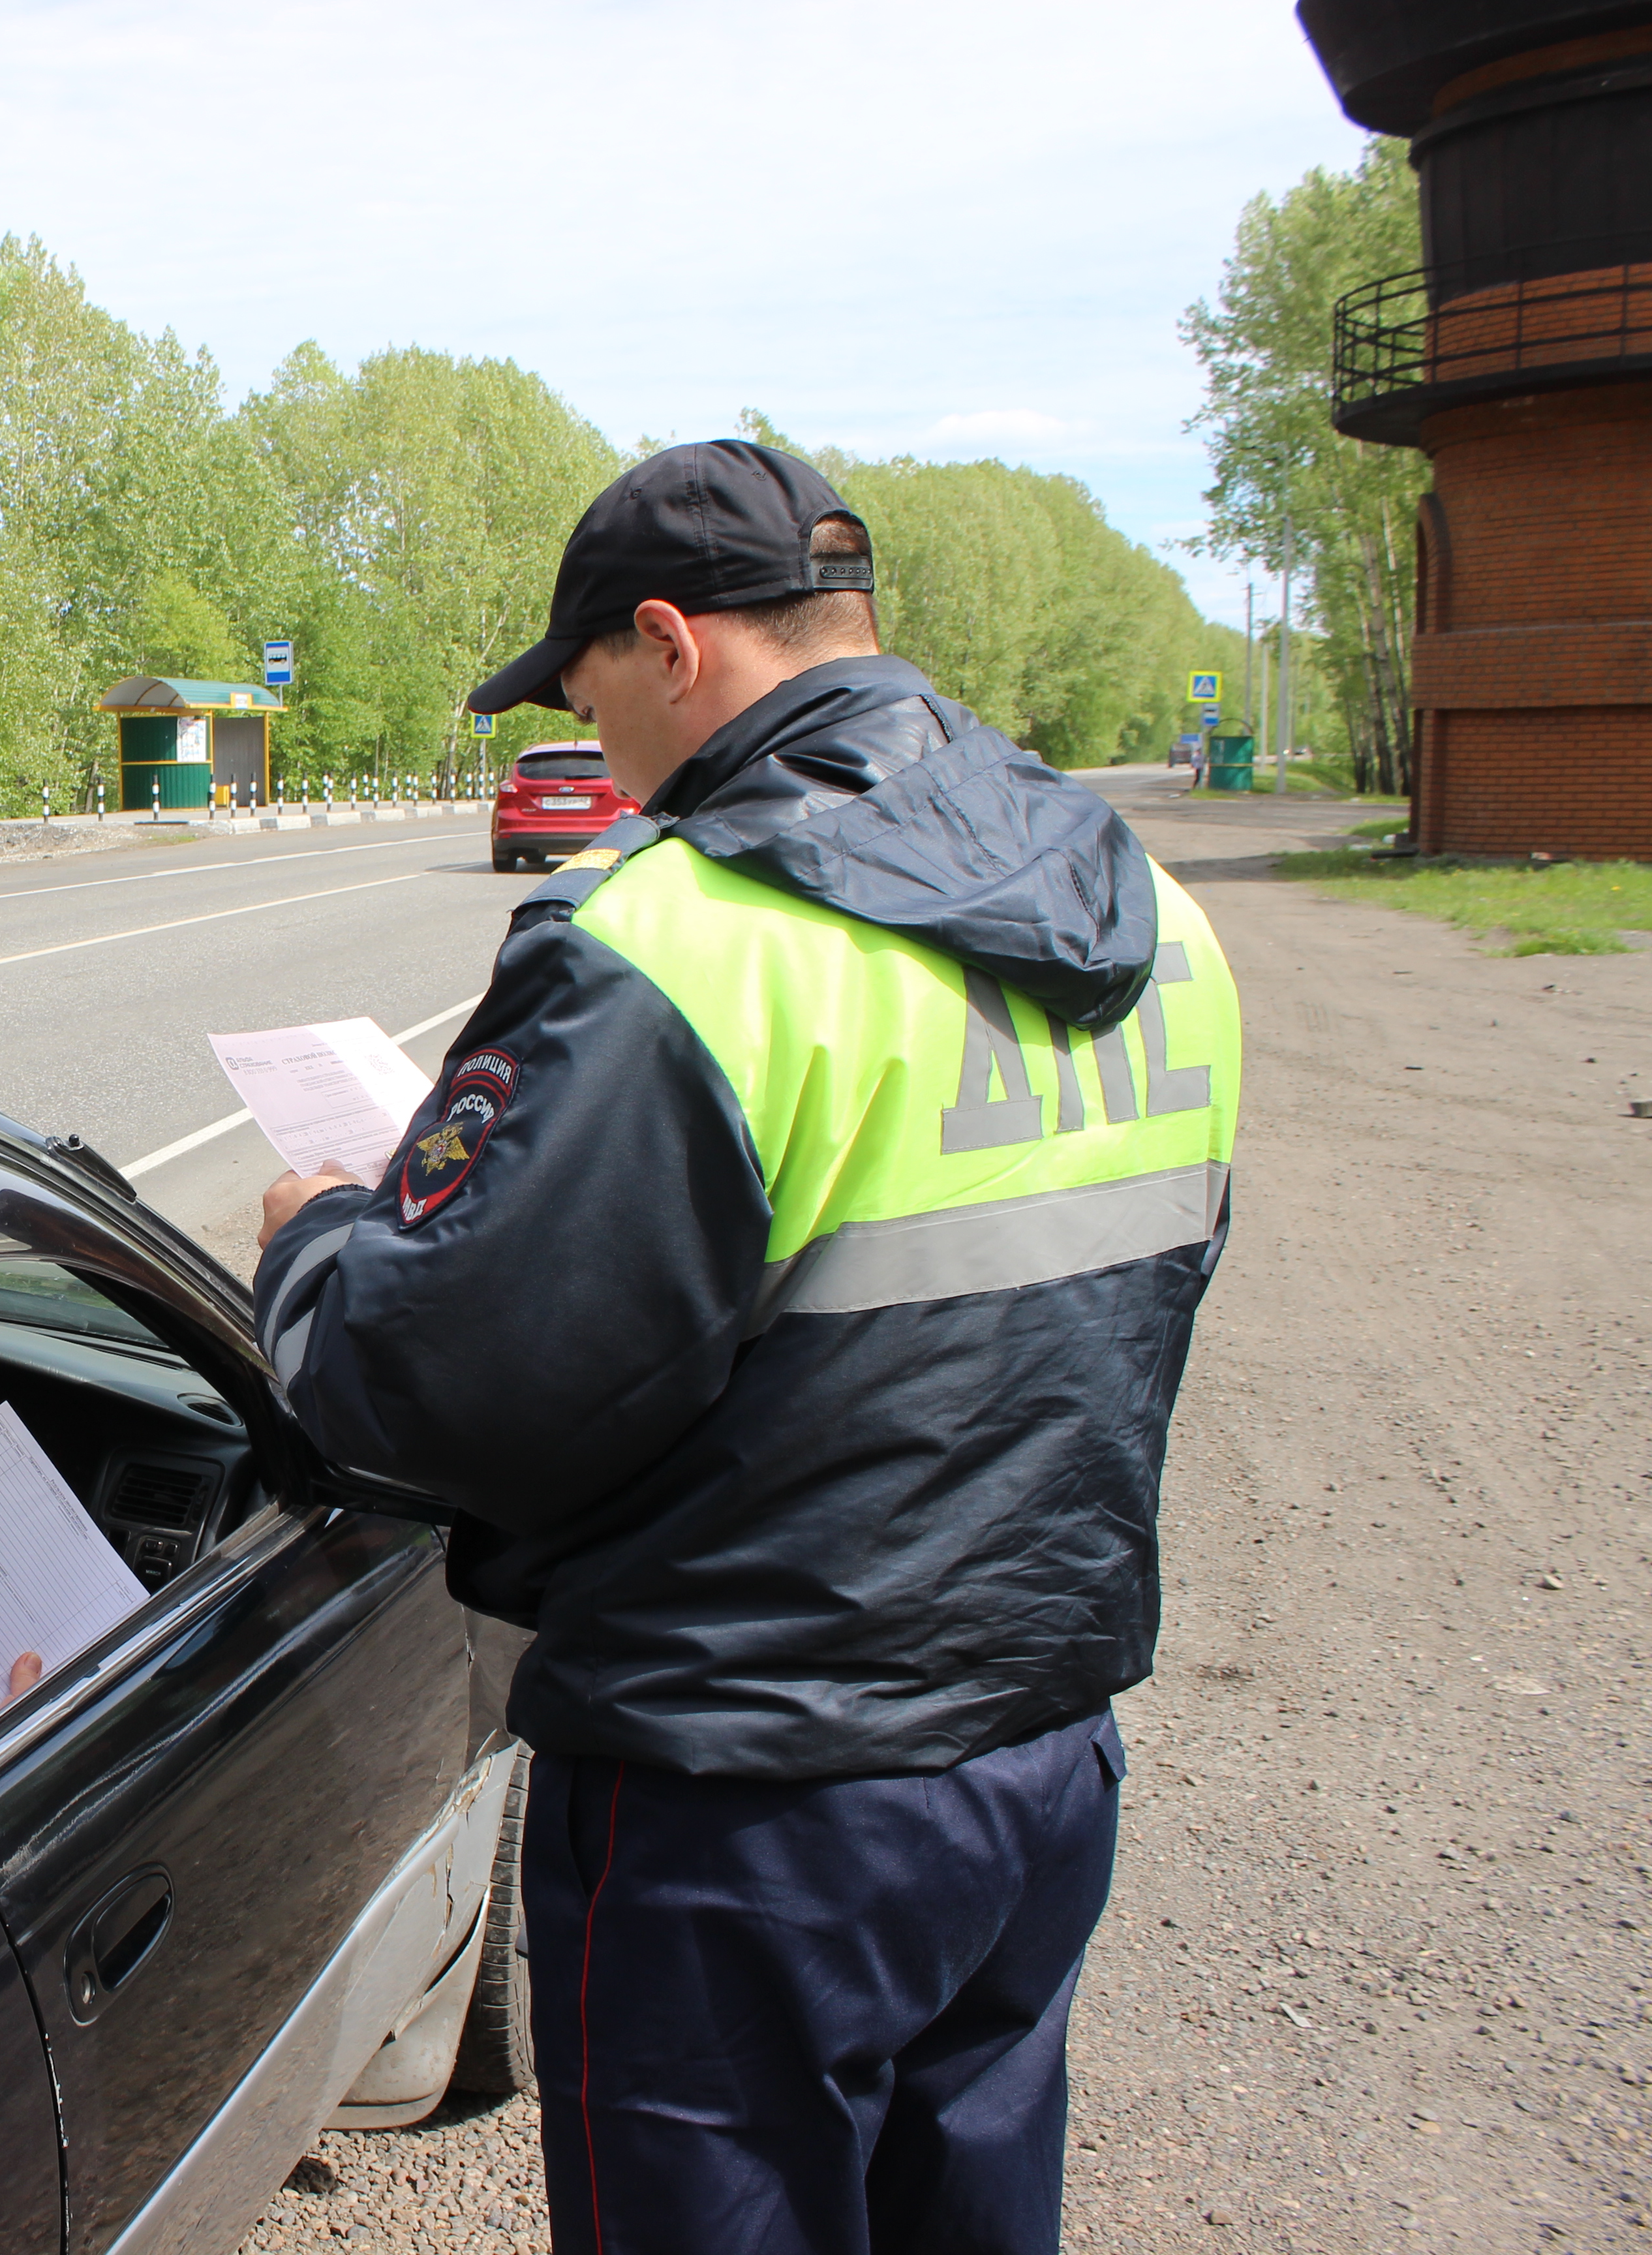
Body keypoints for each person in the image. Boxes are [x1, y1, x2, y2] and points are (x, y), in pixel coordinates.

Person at [252, 440, 1242, 2254]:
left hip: (755, 1797)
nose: (583, 734)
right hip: (1039, 1754)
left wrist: (321, 1236)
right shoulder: (1150, 921)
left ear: (669, 643)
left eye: (582, 689)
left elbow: (435, 1392)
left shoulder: (687, 941)